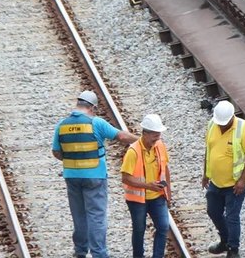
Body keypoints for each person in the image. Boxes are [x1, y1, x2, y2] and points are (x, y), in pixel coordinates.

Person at [52, 90, 139, 258]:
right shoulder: (96, 123)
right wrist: (141, 140)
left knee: (78, 215)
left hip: (71, 177)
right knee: (96, 215)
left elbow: (56, 152)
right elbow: (121, 136)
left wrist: (72, 159)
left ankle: (80, 251)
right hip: (95, 176)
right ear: (92, 107)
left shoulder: (62, 125)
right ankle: (99, 254)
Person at [201, 101, 245, 258]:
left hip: (234, 184)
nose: (222, 126)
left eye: (225, 124)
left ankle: (233, 249)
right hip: (215, 182)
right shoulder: (212, 124)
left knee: (232, 216)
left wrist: (242, 181)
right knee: (213, 211)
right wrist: (205, 173)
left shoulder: (242, 127)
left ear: (232, 117)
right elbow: (209, 150)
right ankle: (224, 241)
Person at [121, 114, 172, 258]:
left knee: (163, 227)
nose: (157, 137)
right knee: (139, 229)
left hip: (157, 197)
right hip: (137, 200)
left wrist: (168, 192)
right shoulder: (133, 151)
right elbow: (125, 178)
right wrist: (148, 186)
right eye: (155, 134)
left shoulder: (160, 146)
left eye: (159, 134)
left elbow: (165, 168)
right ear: (145, 133)